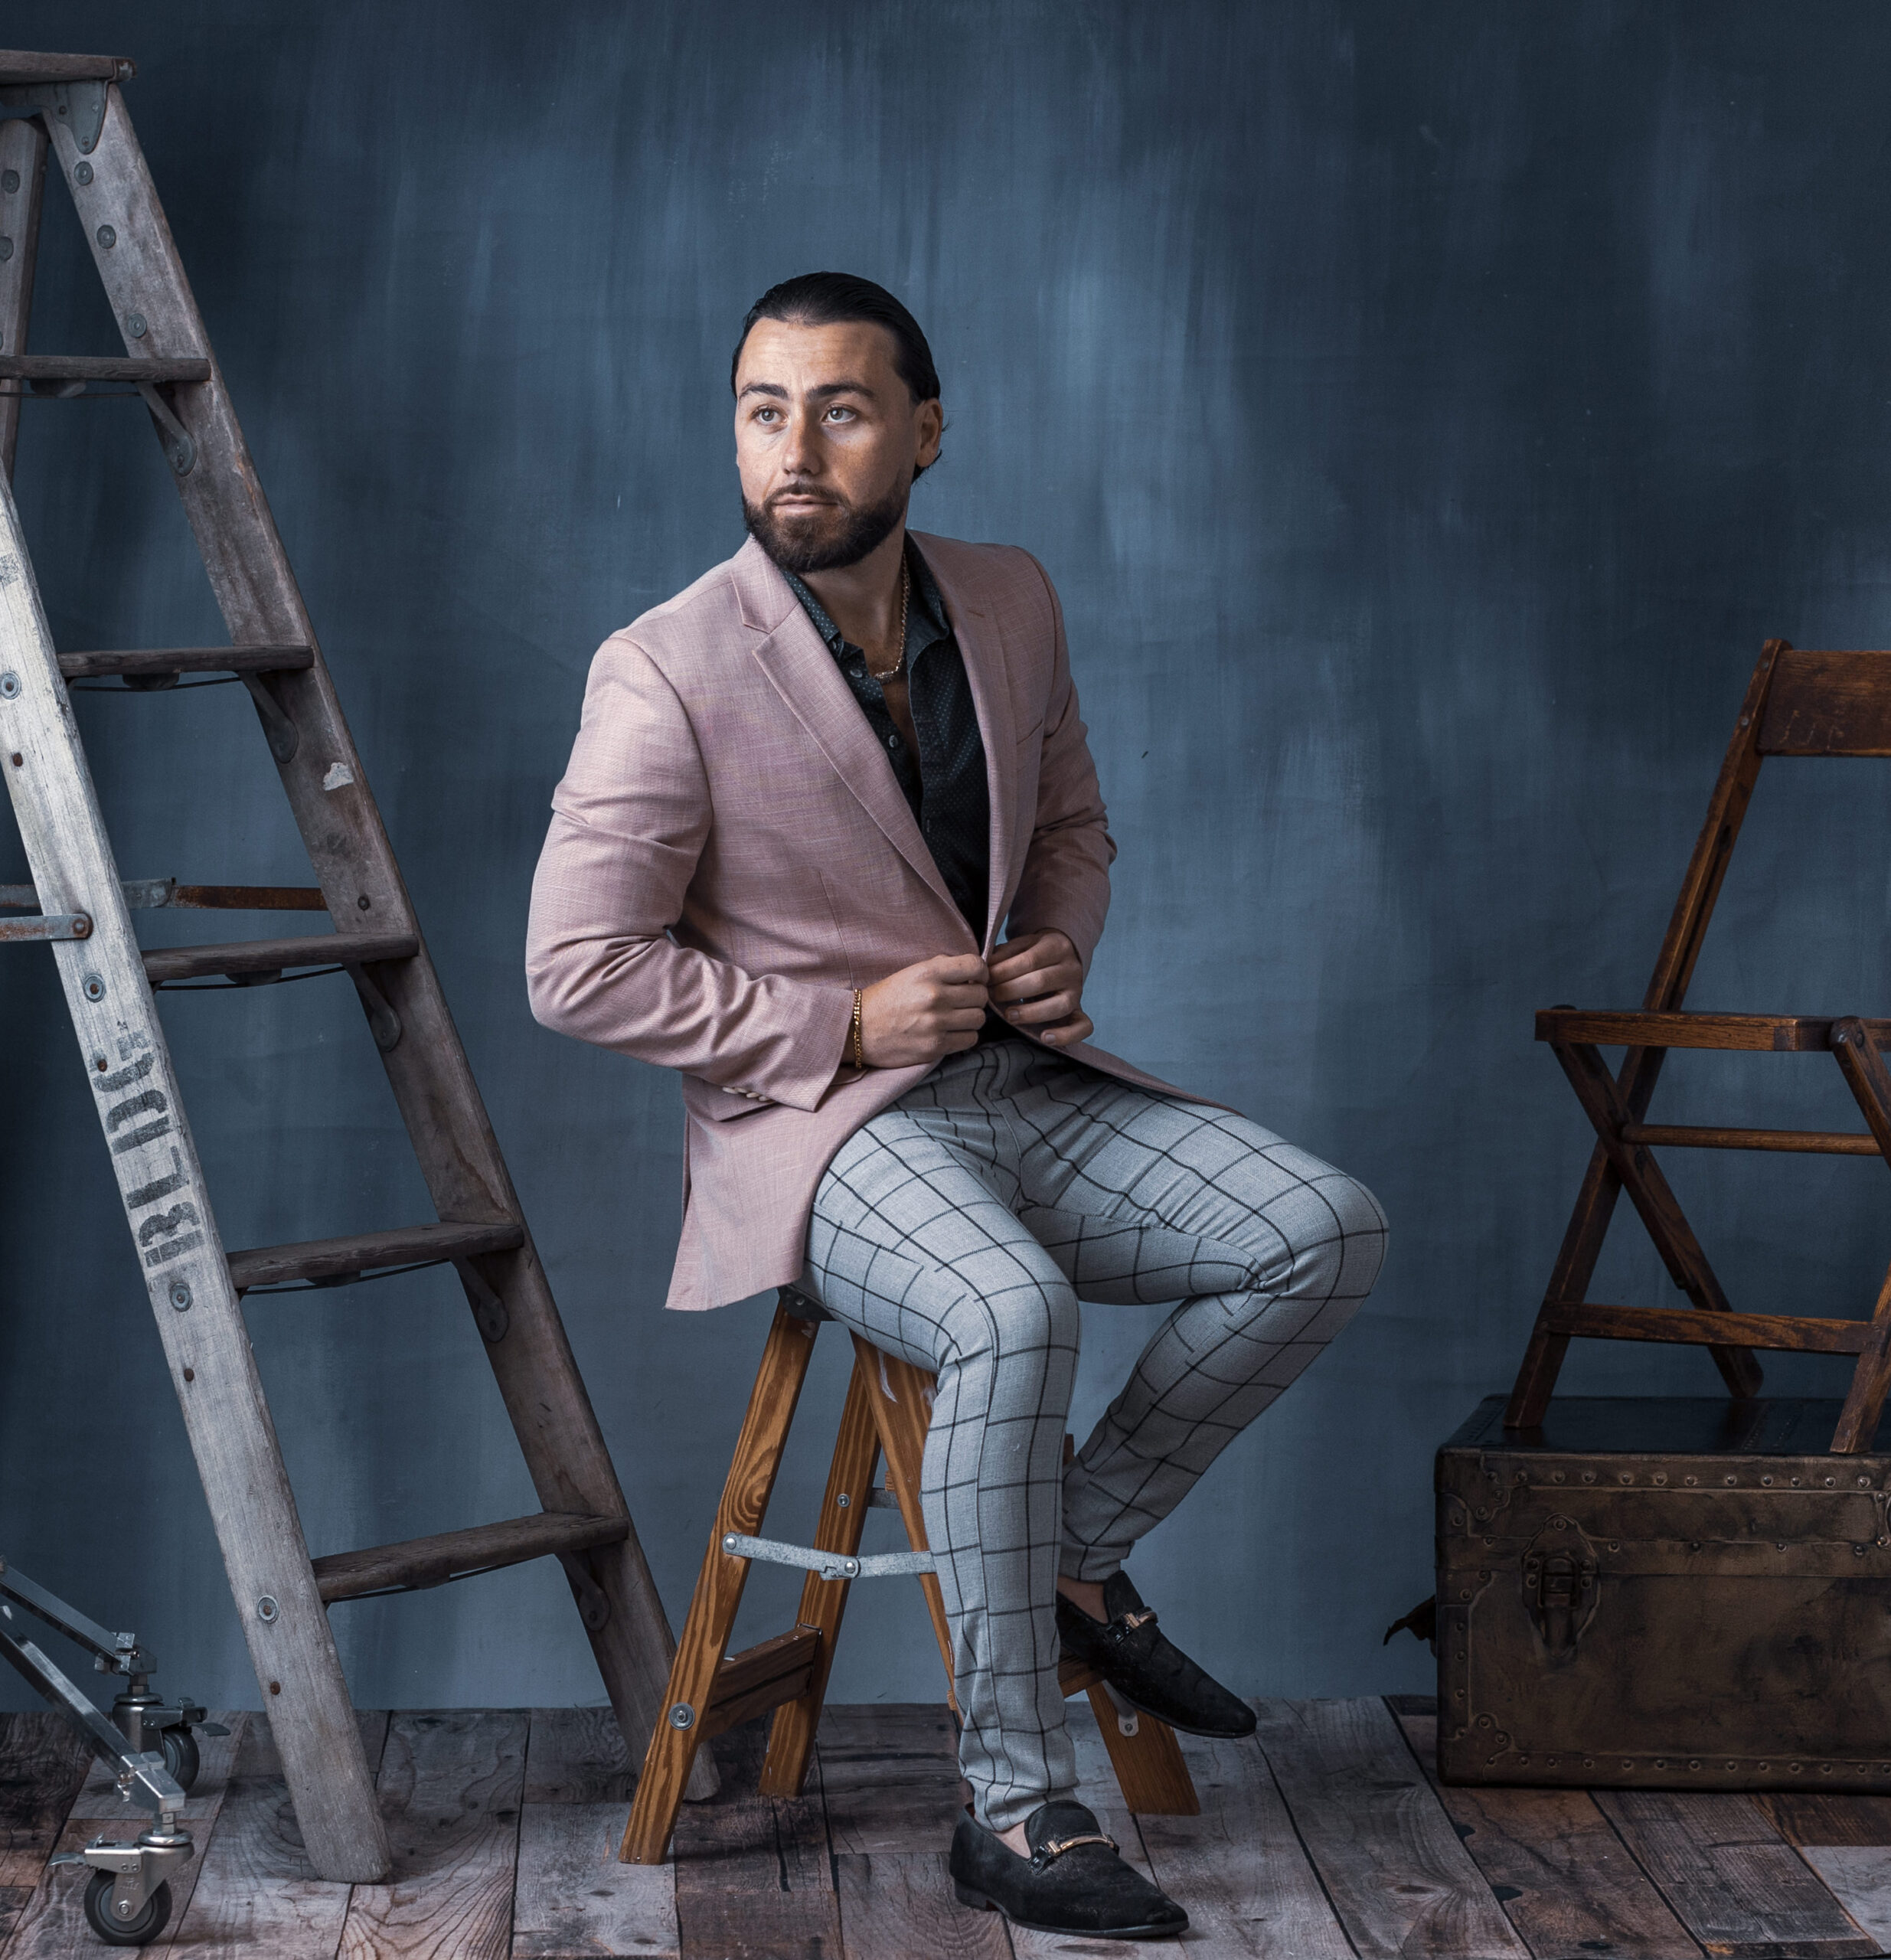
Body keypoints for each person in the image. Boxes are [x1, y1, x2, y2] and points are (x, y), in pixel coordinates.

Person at [526, 271, 1386, 1940]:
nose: (794, 448)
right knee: (1010, 1309)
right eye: (761, 409)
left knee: (1319, 1227)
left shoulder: (1005, 599)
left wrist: (1060, 944)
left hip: (1023, 1084)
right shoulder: (665, 668)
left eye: (839, 409)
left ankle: (1057, 1553)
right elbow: (575, 968)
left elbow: (1070, 823)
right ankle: (1013, 1799)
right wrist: (832, 1017)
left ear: (926, 428)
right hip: (824, 1133)